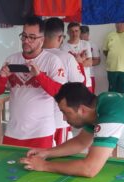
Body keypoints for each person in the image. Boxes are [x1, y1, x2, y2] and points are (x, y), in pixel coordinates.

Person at [21, 82, 124, 178]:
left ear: (82, 110)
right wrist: (47, 153)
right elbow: (81, 142)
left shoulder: (111, 118)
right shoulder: (103, 101)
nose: (64, 118)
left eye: (66, 112)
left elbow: (89, 168)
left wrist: (44, 166)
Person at [0, 16, 66, 148]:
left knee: (39, 169)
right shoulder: (11, 59)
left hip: (41, 132)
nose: (26, 41)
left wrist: (39, 75)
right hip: (13, 132)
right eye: (24, 36)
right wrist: (2, 77)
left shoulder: (52, 61)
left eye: (32, 37)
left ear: (42, 40)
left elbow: (60, 92)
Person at [43, 17, 84, 146]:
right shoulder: (67, 58)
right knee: (58, 156)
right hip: (58, 118)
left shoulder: (34, 57)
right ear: (61, 37)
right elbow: (79, 82)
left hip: (36, 121)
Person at [61, 22, 93, 92]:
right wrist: (82, 61)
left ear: (80, 31)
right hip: (72, 83)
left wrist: (76, 62)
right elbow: (66, 67)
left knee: (88, 103)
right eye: (71, 31)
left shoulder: (86, 44)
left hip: (87, 83)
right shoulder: (63, 47)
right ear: (68, 32)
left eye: (76, 31)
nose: (74, 34)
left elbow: (90, 63)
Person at [80, 25, 101, 93]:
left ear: (88, 34)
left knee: (90, 98)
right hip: (77, 75)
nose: (83, 38)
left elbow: (97, 61)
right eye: (81, 36)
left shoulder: (93, 45)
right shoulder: (75, 45)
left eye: (85, 36)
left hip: (90, 75)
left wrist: (85, 63)